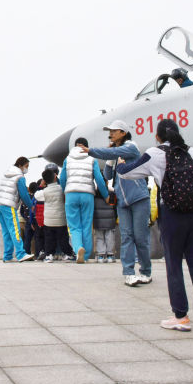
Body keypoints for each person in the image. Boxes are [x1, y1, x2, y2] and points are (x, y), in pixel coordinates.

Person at [118, 118, 193, 333]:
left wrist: (120, 164)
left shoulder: (154, 153)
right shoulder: (192, 152)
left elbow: (126, 173)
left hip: (172, 216)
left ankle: (181, 317)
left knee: (174, 267)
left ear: (157, 136)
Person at [85, 121, 152, 285]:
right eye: (110, 131)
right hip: (122, 201)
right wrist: (110, 160)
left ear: (123, 132)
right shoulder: (116, 154)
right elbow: (107, 176)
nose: (111, 134)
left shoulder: (131, 147)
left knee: (141, 238)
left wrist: (92, 151)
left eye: (114, 131)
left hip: (139, 198)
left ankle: (146, 271)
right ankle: (129, 272)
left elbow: (115, 152)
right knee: (127, 236)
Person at [59, 138, 109, 263]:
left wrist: (66, 190)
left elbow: (62, 178)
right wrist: (105, 195)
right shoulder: (92, 159)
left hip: (71, 194)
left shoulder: (67, 159)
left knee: (74, 226)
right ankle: (85, 256)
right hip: (87, 194)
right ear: (86, 146)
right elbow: (99, 179)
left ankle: (78, 249)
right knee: (87, 225)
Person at [0, 156, 35, 263]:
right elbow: (24, 194)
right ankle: (21, 254)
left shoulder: (7, 173)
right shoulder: (19, 176)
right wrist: (31, 205)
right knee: (15, 230)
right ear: (20, 165)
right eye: (26, 166)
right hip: (9, 205)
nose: (27, 169)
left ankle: (7, 256)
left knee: (6, 231)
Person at [40, 168, 71, 261]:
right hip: (61, 219)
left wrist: (41, 185)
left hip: (48, 220)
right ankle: (68, 254)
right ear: (55, 177)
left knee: (49, 239)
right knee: (63, 239)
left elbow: (37, 196)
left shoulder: (44, 191)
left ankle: (49, 255)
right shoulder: (61, 188)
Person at [93, 188, 118, 262]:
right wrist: (115, 218)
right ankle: (110, 255)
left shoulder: (94, 194)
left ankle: (100, 256)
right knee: (110, 238)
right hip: (110, 220)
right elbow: (115, 208)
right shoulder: (112, 193)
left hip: (98, 220)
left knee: (99, 238)